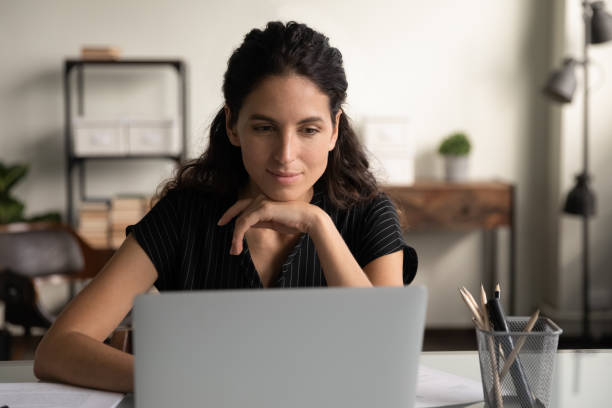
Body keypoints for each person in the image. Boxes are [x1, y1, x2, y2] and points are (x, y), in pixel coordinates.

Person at [33, 21, 418, 393]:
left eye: (309, 129)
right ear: (233, 125)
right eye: (264, 128)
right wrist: (182, 381)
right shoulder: (184, 214)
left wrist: (318, 225)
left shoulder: (369, 214)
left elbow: (385, 359)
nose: (286, 155)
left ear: (334, 129)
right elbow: (57, 349)